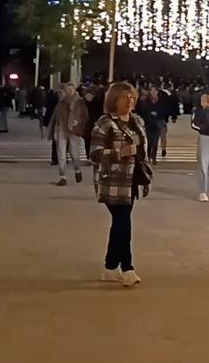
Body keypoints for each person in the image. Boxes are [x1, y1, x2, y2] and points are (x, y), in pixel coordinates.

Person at [90, 81, 148, 287]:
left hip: (131, 180)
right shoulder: (105, 123)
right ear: (114, 100)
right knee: (123, 222)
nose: (130, 101)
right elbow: (95, 154)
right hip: (113, 181)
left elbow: (142, 152)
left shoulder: (137, 122)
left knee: (120, 224)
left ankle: (110, 266)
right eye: (125, 97)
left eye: (132, 97)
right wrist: (119, 153)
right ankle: (127, 268)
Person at [46, 83, 88, 186]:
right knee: (61, 154)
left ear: (74, 90)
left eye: (71, 89)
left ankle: (77, 170)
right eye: (67, 89)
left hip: (74, 131)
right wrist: (54, 131)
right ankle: (62, 177)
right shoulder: (61, 102)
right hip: (62, 130)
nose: (69, 91)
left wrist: (77, 121)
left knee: (74, 154)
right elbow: (56, 116)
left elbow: (85, 116)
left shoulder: (79, 101)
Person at [136, 86, 165, 164]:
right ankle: (148, 157)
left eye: (154, 91)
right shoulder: (146, 101)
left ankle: (154, 158)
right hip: (148, 123)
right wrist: (149, 114)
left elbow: (163, 111)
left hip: (157, 124)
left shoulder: (160, 101)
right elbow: (142, 111)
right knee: (149, 142)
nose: (153, 92)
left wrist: (158, 114)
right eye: (151, 91)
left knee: (155, 143)